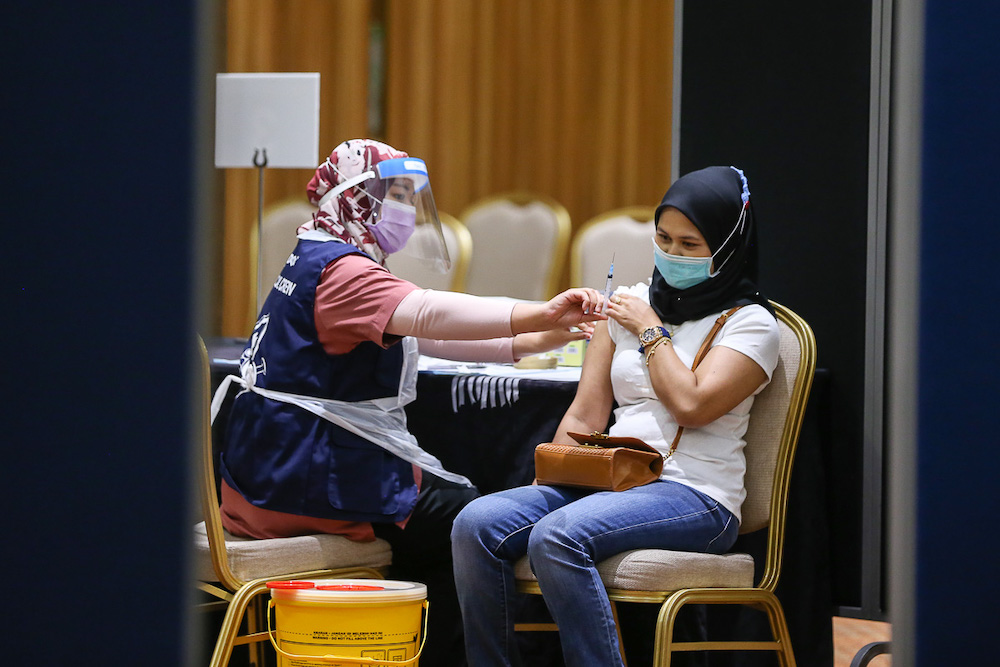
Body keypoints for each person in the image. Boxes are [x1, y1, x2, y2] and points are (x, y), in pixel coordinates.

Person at [215, 139, 606, 667]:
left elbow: (414, 332)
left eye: (406, 195)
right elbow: (427, 314)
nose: (403, 209)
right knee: (475, 524)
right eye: (392, 194)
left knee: (453, 521)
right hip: (301, 480)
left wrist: (530, 341)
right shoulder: (343, 272)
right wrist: (536, 313)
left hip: (268, 471)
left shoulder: (316, 253)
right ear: (355, 198)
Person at [451, 165, 781, 666]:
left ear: (727, 245)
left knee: (559, 535)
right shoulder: (632, 303)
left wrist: (651, 331)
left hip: (696, 493)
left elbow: (691, 405)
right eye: (663, 239)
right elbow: (586, 412)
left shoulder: (752, 324)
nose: (672, 255)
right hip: (611, 477)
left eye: (691, 245)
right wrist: (552, 481)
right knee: (476, 522)